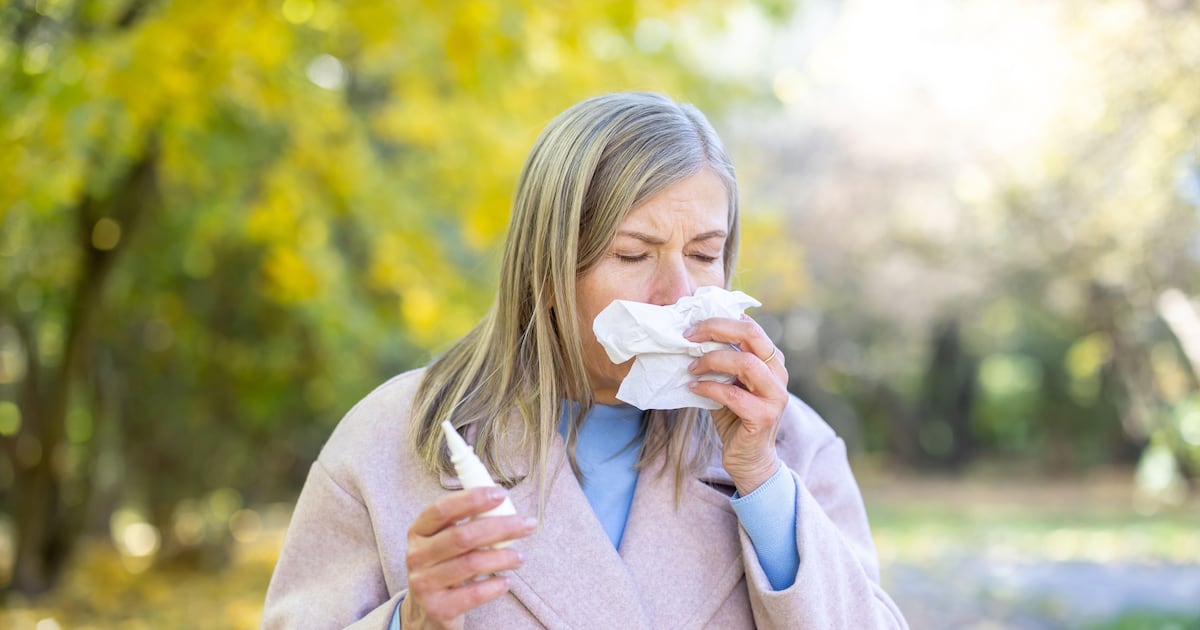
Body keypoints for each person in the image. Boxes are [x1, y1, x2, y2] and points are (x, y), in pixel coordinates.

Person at [262, 92, 908, 629]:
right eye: (633, 255)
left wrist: (762, 483)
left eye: (704, 254)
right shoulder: (396, 440)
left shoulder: (790, 445)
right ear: (546, 271)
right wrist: (411, 623)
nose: (679, 292)